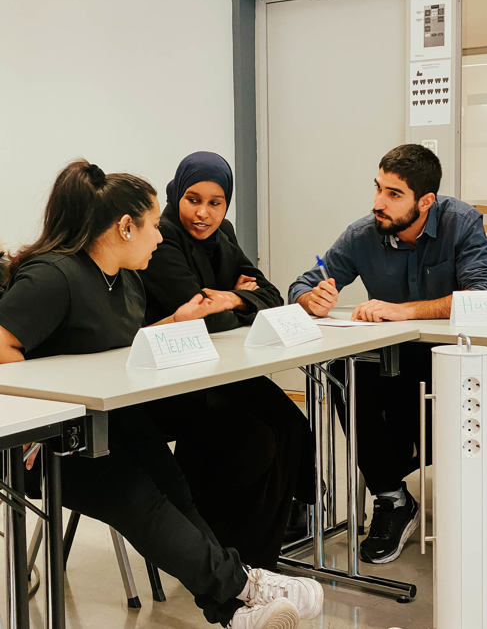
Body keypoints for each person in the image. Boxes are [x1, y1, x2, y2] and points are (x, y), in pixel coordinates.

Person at [0, 160, 324, 628]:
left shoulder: (125, 280)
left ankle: (233, 612)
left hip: (110, 422)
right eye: (153, 226)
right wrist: (38, 419)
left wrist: (173, 324)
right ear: (124, 227)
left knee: (175, 490)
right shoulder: (53, 276)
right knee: (142, 500)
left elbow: (118, 345)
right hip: (48, 445)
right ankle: (244, 586)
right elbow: (3, 342)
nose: (160, 236)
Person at [289, 143, 487, 565]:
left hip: (455, 356)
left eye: (393, 193)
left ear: (426, 201)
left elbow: (485, 297)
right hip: (394, 360)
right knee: (341, 373)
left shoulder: (461, 223)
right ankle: (392, 497)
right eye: (377, 188)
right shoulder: (363, 233)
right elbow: (304, 282)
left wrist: (405, 312)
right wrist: (310, 298)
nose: (377, 203)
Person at [140, 151, 316, 568]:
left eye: (215, 202)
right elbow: (205, 315)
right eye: (193, 199)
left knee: (291, 424)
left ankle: (287, 522)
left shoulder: (225, 234)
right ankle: (236, 556)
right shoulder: (161, 239)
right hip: (170, 381)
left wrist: (234, 296)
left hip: (218, 370)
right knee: (255, 438)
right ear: (176, 195)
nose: (203, 213)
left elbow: (269, 296)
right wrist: (231, 301)